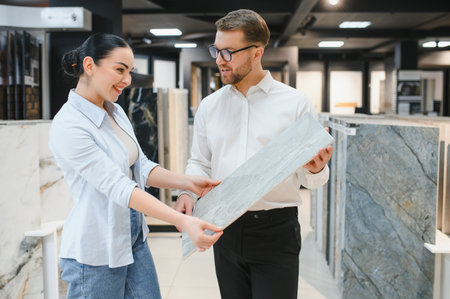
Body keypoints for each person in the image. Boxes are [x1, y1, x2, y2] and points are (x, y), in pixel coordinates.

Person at [49, 33, 223, 299]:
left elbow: (139, 165)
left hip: (133, 241)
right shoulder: (69, 125)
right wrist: (182, 221)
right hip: (96, 253)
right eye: (119, 70)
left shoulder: (114, 111)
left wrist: (187, 182)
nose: (127, 80)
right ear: (89, 65)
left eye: (129, 71)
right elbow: (119, 187)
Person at [174, 9, 333, 299]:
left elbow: (312, 181)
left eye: (228, 52)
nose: (219, 59)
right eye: (216, 50)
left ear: (257, 52)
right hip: (225, 227)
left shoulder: (295, 104)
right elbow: (199, 161)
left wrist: (315, 169)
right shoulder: (209, 106)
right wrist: (187, 193)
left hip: (276, 230)